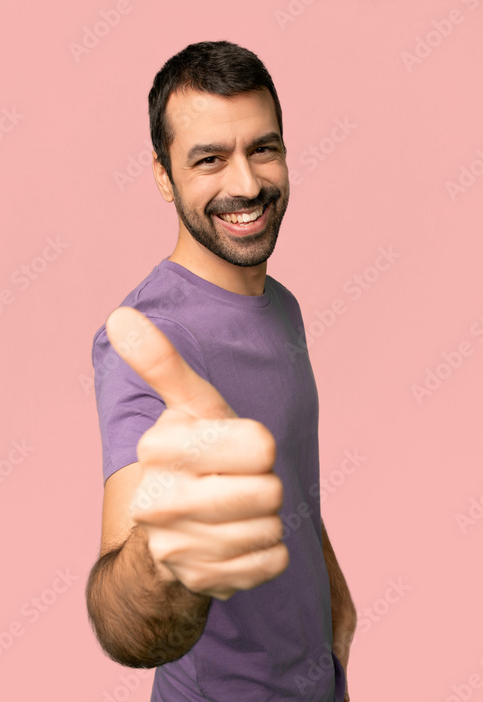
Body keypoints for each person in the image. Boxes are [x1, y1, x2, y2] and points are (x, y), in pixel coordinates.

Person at [87, 40, 356, 701]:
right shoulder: (150, 341)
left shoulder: (281, 305)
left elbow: (287, 477)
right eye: (209, 159)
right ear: (162, 175)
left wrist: (338, 612)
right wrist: (162, 557)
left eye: (263, 149)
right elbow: (130, 625)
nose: (245, 184)